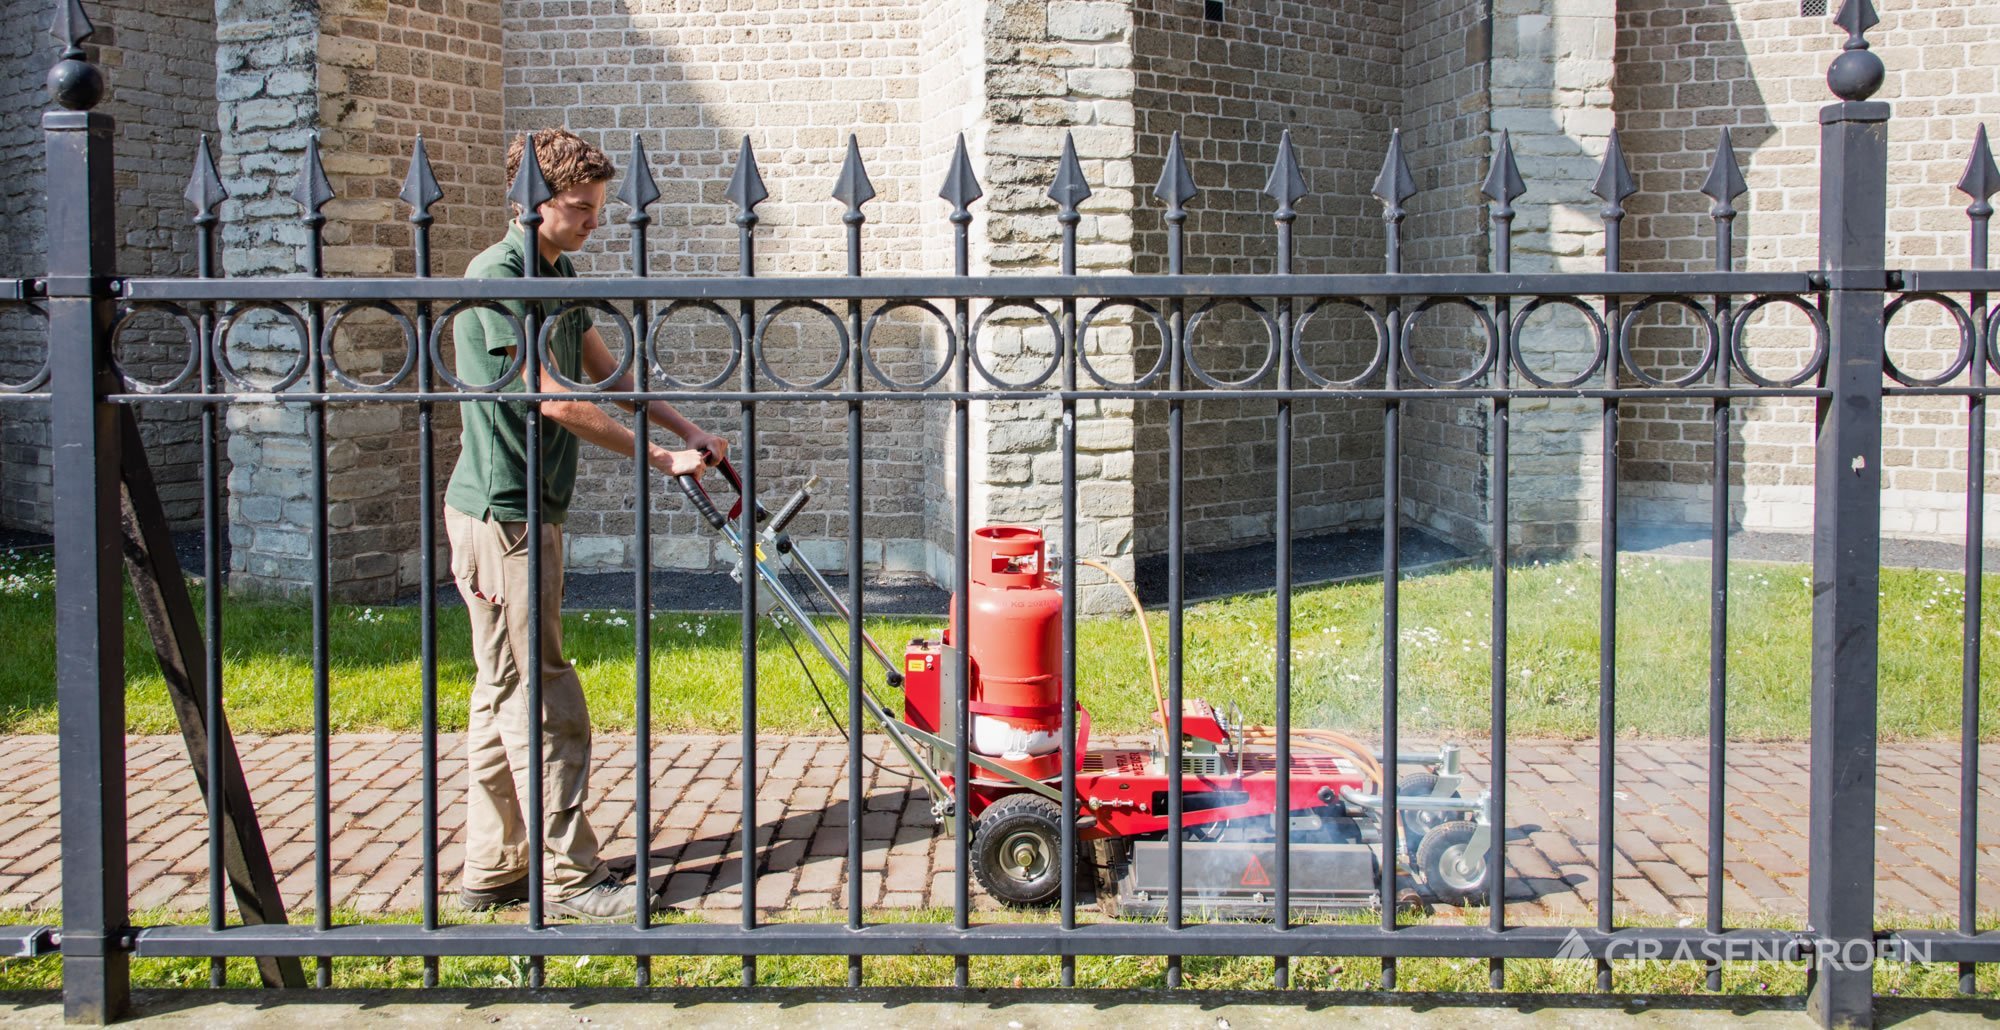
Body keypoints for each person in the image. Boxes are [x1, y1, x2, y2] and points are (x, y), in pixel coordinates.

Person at [444, 129, 728, 920]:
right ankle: (573, 880)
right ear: (534, 201)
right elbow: (555, 400)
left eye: (599, 210)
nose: (592, 223)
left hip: (528, 515)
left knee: (500, 689)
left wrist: (687, 430)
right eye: (580, 210)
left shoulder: (557, 272)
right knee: (544, 699)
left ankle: (492, 868)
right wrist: (659, 460)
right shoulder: (496, 277)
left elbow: (611, 372)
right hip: (504, 518)